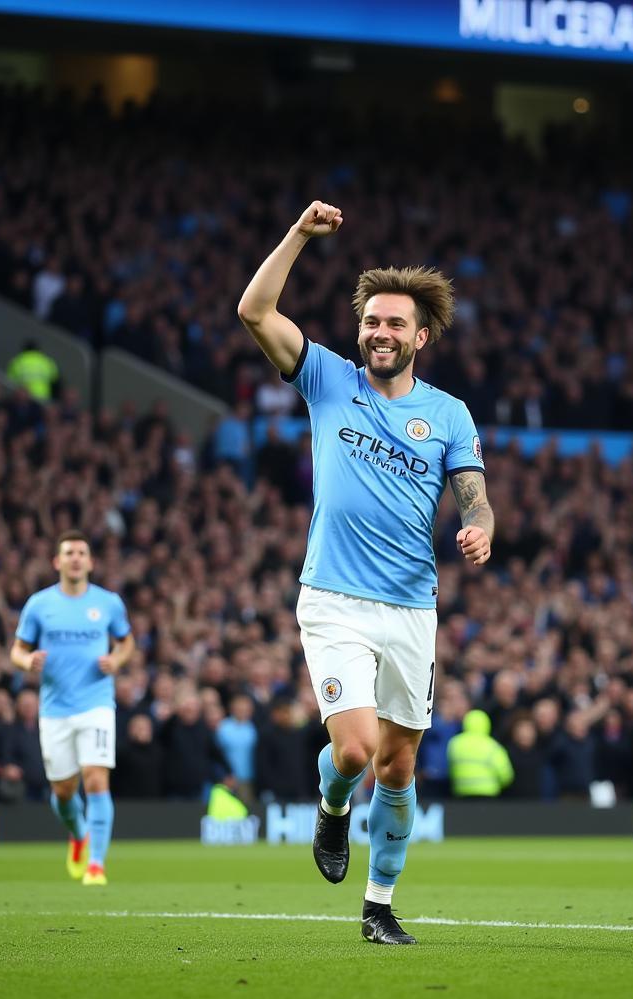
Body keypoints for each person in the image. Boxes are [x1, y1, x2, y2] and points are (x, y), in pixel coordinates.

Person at [238, 201, 494, 945]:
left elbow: (474, 496)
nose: (381, 333)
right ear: (360, 331)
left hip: (412, 607)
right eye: (371, 322)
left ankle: (378, 906)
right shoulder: (326, 379)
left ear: (421, 336)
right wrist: (297, 235)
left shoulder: (449, 414)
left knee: (398, 765)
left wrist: (477, 525)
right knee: (351, 751)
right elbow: (255, 310)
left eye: (395, 325)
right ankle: (331, 808)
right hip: (334, 599)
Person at [10, 530, 135, 886]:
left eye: (82, 552)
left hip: (96, 703)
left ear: (91, 561)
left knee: (96, 780)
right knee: (63, 792)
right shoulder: (39, 604)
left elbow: (127, 642)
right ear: (58, 561)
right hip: (55, 709)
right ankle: (78, 833)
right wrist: (27, 660)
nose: (76, 558)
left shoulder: (108, 603)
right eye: (69, 552)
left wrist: (117, 659)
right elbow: (16, 650)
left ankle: (96, 864)